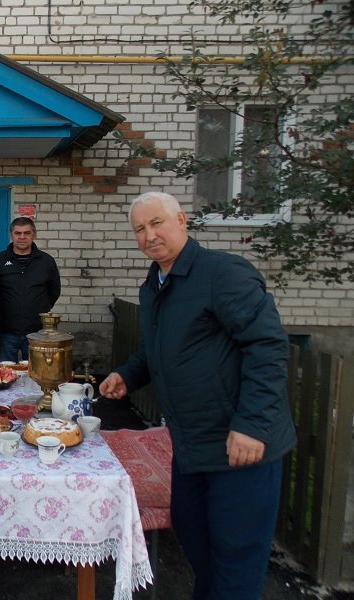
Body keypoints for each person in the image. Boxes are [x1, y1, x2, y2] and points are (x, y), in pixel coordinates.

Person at [99, 191, 297, 600]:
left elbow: (267, 346)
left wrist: (252, 424)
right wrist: (127, 374)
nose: (149, 235)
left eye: (157, 223)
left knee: (235, 561)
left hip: (239, 447)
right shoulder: (154, 286)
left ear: (182, 220)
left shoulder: (223, 274)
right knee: (194, 538)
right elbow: (158, 350)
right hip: (190, 446)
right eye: (140, 229)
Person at [0, 217, 61, 362]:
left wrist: (39, 308)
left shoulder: (46, 261)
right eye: (18, 233)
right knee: (5, 377)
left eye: (27, 233)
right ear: (11, 235)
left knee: (37, 377)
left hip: (38, 332)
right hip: (6, 332)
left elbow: (54, 291)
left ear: (34, 235)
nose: (22, 237)